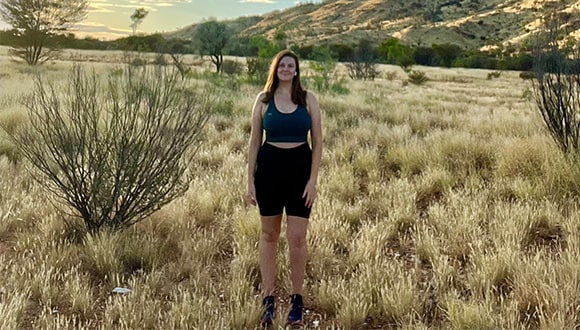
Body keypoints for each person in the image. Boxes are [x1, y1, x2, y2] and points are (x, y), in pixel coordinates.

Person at [246, 49, 322, 327]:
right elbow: (254, 141)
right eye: (282, 65)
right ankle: (268, 299)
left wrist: (313, 180)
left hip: (300, 171)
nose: (286, 69)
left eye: (291, 65)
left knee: (298, 238)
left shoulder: (308, 100)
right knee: (269, 235)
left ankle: (296, 299)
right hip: (269, 170)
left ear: (297, 70)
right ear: (275, 69)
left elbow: (318, 142)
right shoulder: (263, 100)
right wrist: (249, 179)